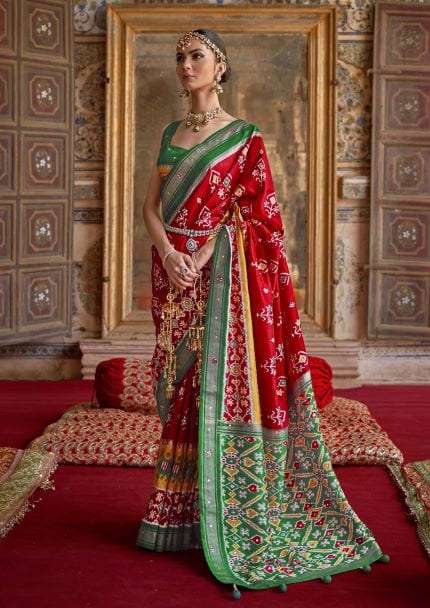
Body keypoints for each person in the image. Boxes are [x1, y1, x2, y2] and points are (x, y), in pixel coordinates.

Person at [136, 28, 389, 597]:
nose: (185, 65)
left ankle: (229, 512)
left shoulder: (244, 138)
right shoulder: (171, 133)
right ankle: (179, 515)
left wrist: (203, 255)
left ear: (220, 66)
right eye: (180, 57)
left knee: (209, 384)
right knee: (177, 383)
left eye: (196, 56)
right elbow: (149, 208)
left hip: (218, 274)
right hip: (172, 273)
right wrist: (169, 254)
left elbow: (257, 220)